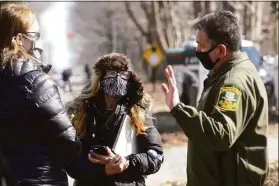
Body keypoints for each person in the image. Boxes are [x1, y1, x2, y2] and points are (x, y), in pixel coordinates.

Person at [161, 10, 269, 186]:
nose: (197, 50)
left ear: (220, 50)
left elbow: (221, 134)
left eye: (201, 46)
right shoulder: (225, 74)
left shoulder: (233, 83)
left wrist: (178, 109)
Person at [0, 3, 81, 185]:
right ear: (19, 39)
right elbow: (68, 143)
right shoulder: (37, 83)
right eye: (36, 35)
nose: (38, 41)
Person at [65, 53, 164, 186]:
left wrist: (127, 163)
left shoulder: (138, 110)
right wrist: (102, 169)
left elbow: (155, 155)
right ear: (100, 78)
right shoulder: (82, 110)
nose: (117, 78)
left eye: (123, 74)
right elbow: (70, 160)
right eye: (111, 73)